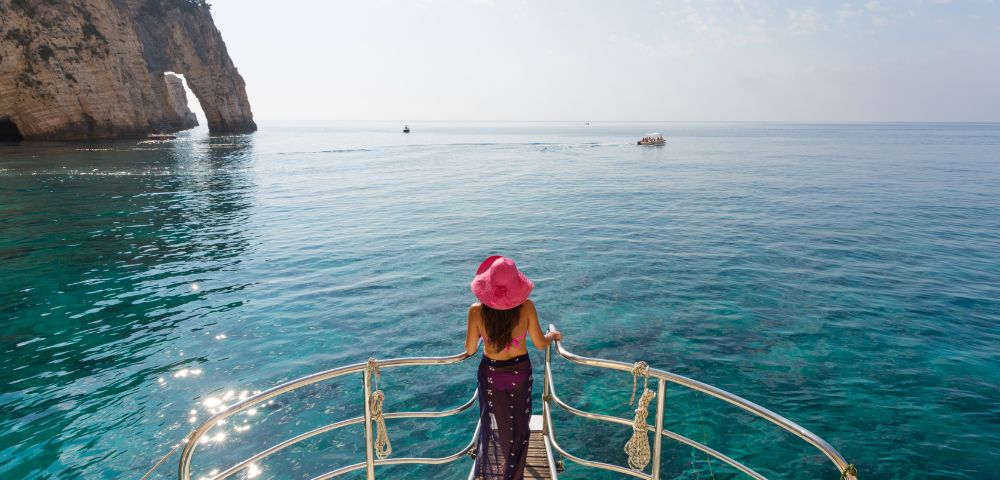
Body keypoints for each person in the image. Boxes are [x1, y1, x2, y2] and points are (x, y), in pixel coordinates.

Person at [464, 255, 562, 480]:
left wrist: (482, 335)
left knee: (495, 423)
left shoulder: (476, 311)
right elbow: (539, 343)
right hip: (519, 372)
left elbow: (470, 350)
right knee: (518, 424)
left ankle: (494, 470)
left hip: (491, 373)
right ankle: (513, 474)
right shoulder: (526, 307)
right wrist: (552, 336)